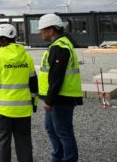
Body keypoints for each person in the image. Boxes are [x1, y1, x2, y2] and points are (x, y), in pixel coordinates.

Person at [0, 24, 38, 162]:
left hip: (2, 111)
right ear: (15, 37)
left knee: (2, 144)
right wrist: (34, 103)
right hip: (23, 110)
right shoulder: (26, 57)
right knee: (24, 143)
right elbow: (33, 83)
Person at [37, 13, 82, 162]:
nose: (40, 32)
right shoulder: (58, 45)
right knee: (51, 129)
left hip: (61, 98)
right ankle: (58, 157)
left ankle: (68, 159)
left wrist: (49, 100)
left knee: (64, 133)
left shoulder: (60, 47)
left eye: (42, 29)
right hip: (57, 98)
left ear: (51, 30)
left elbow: (56, 77)